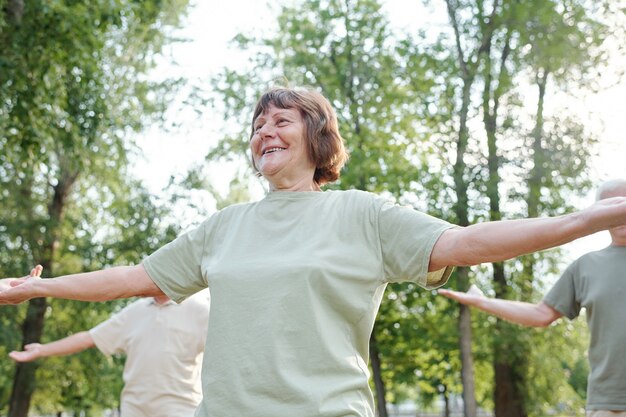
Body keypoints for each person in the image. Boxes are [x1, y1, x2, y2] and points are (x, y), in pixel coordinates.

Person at [1, 87, 625, 417]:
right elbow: (137, 277)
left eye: (281, 121)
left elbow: (470, 241)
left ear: (317, 135)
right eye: (257, 125)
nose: (264, 131)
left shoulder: (364, 213)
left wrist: (593, 216)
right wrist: (37, 287)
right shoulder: (224, 227)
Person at [438, 178, 626, 417]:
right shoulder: (586, 267)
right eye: (613, 205)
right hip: (608, 403)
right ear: (600, 212)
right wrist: (482, 302)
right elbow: (541, 314)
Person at [9, 266, 210, 417]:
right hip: (134, 409)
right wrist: (42, 350)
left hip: (180, 409)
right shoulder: (135, 311)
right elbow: (89, 337)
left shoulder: (200, 309)